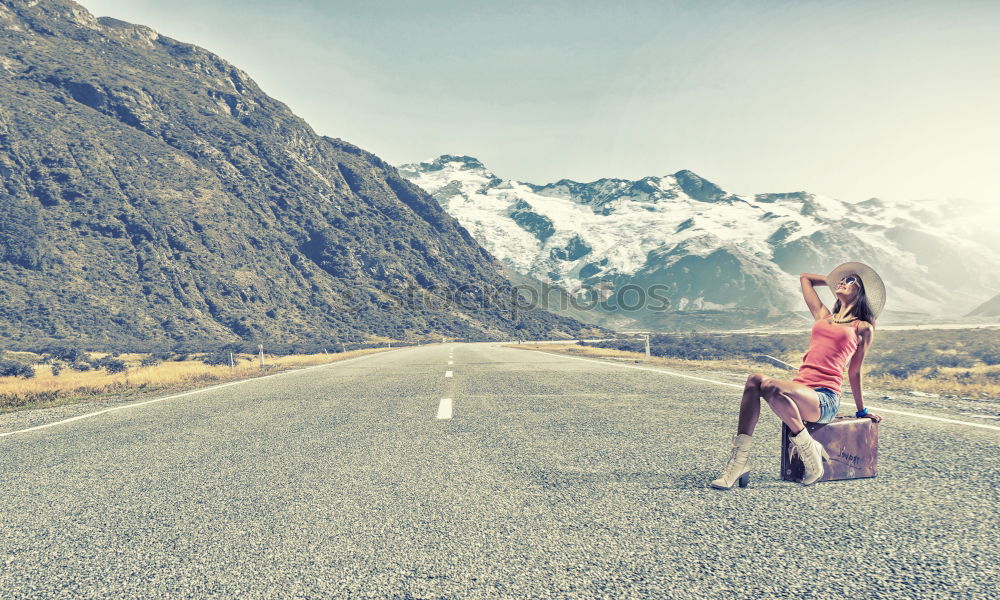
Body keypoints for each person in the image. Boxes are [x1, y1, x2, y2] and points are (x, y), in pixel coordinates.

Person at [711, 262, 885, 489]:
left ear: (861, 292)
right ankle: (738, 463)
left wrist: (862, 411)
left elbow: (855, 371)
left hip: (824, 399)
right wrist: (835, 281)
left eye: (851, 281)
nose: (843, 282)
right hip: (798, 391)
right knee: (755, 380)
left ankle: (808, 449)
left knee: (771, 386)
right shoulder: (823, 316)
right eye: (842, 279)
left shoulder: (862, 327)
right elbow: (805, 278)